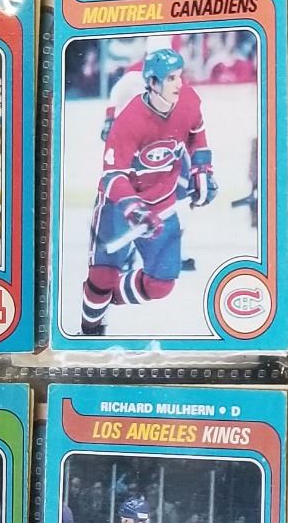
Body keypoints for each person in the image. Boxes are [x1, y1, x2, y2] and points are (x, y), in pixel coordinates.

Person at [78, 47, 215, 337]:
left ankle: (104, 297)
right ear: (152, 82)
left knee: (161, 284)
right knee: (101, 277)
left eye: (180, 76)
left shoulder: (188, 100)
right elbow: (112, 176)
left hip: (163, 206)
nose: (179, 84)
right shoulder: (129, 122)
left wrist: (202, 169)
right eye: (171, 78)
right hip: (118, 209)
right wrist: (133, 208)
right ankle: (90, 328)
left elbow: (196, 133)